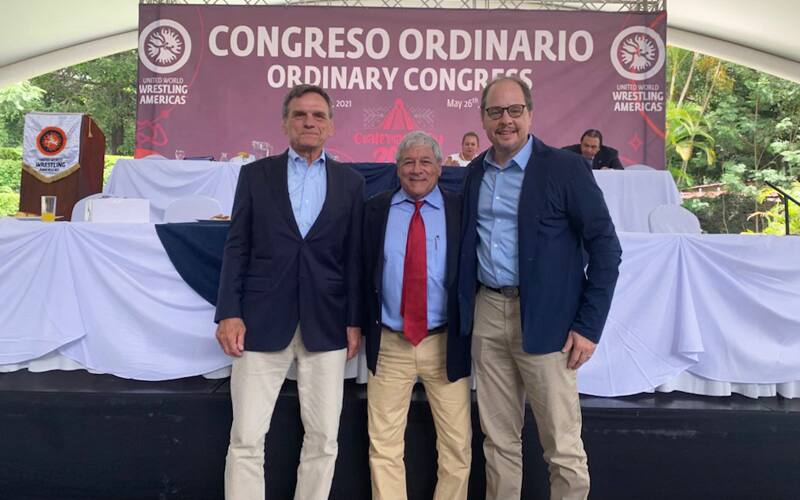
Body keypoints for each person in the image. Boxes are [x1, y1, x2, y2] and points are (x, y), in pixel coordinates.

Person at [457, 77, 622, 500]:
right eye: (496, 112)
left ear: (530, 113)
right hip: (489, 313)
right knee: (498, 442)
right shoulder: (474, 173)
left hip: (550, 321)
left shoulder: (565, 168)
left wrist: (589, 326)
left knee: (563, 448)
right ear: (483, 118)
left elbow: (605, 247)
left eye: (514, 110)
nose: (505, 120)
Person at [214, 84, 364, 500]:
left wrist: (353, 319)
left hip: (328, 322)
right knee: (246, 435)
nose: (309, 122)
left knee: (324, 438)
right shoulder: (255, 175)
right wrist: (229, 311)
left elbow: (354, 257)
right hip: (260, 321)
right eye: (300, 115)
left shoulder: (351, 183)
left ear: (331, 125)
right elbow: (236, 245)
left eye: (318, 115)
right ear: (285, 123)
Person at [362, 131, 472, 500]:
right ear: (397, 169)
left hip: (445, 343)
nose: (417, 169)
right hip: (391, 343)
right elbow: (360, 271)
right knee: (384, 446)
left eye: (426, 161)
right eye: (408, 162)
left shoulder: (461, 210)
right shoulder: (375, 209)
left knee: (457, 447)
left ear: (440, 168)